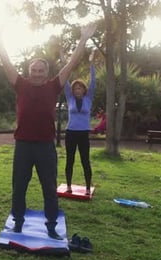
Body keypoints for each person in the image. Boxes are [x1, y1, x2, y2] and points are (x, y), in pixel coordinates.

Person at [0, 22, 96, 240]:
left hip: (45, 146)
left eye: (40, 71)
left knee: (49, 188)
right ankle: (18, 224)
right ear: (29, 72)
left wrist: (84, 39)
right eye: (34, 71)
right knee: (19, 187)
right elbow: (6, 62)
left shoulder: (54, 85)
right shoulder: (20, 84)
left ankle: (51, 227)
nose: (37, 74)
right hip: (23, 145)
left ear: (46, 72)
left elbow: (72, 63)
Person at [64, 49, 96, 195]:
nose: (77, 90)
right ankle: (69, 186)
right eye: (75, 88)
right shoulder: (69, 98)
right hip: (70, 133)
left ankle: (88, 188)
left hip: (83, 134)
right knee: (69, 160)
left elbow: (93, 81)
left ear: (84, 90)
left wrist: (91, 63)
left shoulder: (88, 99)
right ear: (73, 90)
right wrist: (64, 62)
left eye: (80, 88)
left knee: (85, 160)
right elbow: (64, 80)